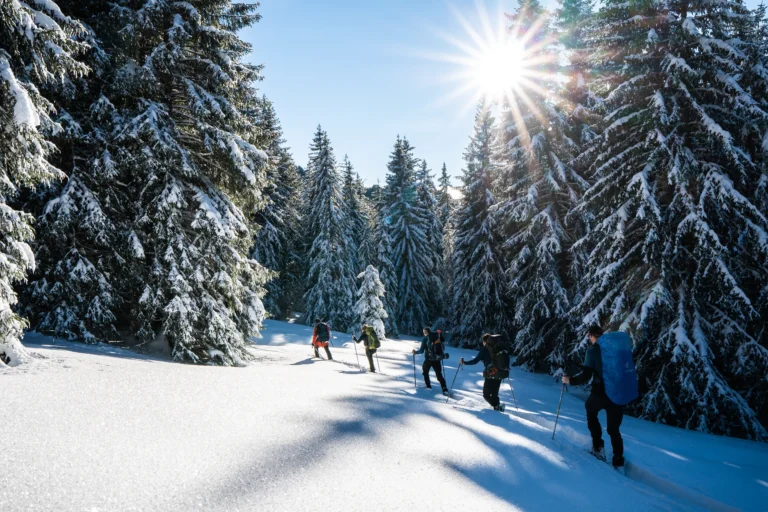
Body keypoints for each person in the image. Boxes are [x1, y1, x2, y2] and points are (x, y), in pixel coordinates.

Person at [562, 325, 624, 468]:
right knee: (614, 429)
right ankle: (618, 459)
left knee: (591, 411)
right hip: (618, 392)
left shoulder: (593, 351)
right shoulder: (615, 349)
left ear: (591, 336)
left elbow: (586, 375)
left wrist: (569, 380)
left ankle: (598, 447)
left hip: (601, 391)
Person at [461, 334, 505, 411]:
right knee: (495, 394)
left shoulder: (484, 350)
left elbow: (474, 361)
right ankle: (498, 408)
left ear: (485, 341)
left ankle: (497, 407)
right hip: (499, 373)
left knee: (486, 395)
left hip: (490, 374)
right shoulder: (498, 349)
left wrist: (464, 362)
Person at [412, 327, 448, 394]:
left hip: (428, 359)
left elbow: (421, 351)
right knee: (439, 375)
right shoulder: (437, 336)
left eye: (424, 332)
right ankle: (444, 388)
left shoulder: (425, 339)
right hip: (437, 359)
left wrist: (415, 352)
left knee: (425, 372)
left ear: (426, 332)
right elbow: (443, 343)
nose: (424, 333)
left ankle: (428, 386)